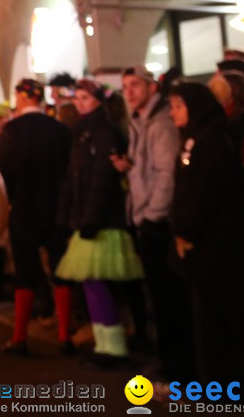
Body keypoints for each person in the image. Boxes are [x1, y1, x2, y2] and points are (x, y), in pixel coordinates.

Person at [168, 82, 244, 384]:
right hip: (204, 245)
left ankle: (225, 382)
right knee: (207, 318)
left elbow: (204, 192)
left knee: (220, 317)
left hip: (217, 245)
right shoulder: (197, 137)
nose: (173, 113)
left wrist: (186, 229)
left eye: (178, 107)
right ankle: (213, 378)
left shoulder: (212, 139)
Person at [111, 66, 192, 380]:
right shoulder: (138, 123)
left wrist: (152, 216)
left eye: (135, 85)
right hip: (145, 216)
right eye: (125, 86)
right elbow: (148, 169)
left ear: (151, 88)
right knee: (158, 296)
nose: (129, 92)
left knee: (168, 297)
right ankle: (169, 359)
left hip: (157, 221)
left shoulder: (159, 124)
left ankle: (176, 365)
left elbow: (166, 175)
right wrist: (129, 167)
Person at [55, 79, 143, 369]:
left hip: (102, 221)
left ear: (98, 102)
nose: (79, 103)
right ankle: (105, 342)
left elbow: (101, 181)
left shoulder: (104, 132)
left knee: (97, 282)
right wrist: (68, 216)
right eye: (77, 98)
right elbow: (72, 178)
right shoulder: (84, 132)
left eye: (85, 98)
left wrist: (87, 219)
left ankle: (114, 346)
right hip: (89, 218)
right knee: (91, 282)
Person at [0, 78, 74, 356]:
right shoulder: (61, 131)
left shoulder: (12, 131)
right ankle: (65, 335)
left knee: (25, 273)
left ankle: (20, 337)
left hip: (23, 210)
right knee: (62, 270)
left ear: (22, 96)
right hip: (57, 210)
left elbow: (1, 174)